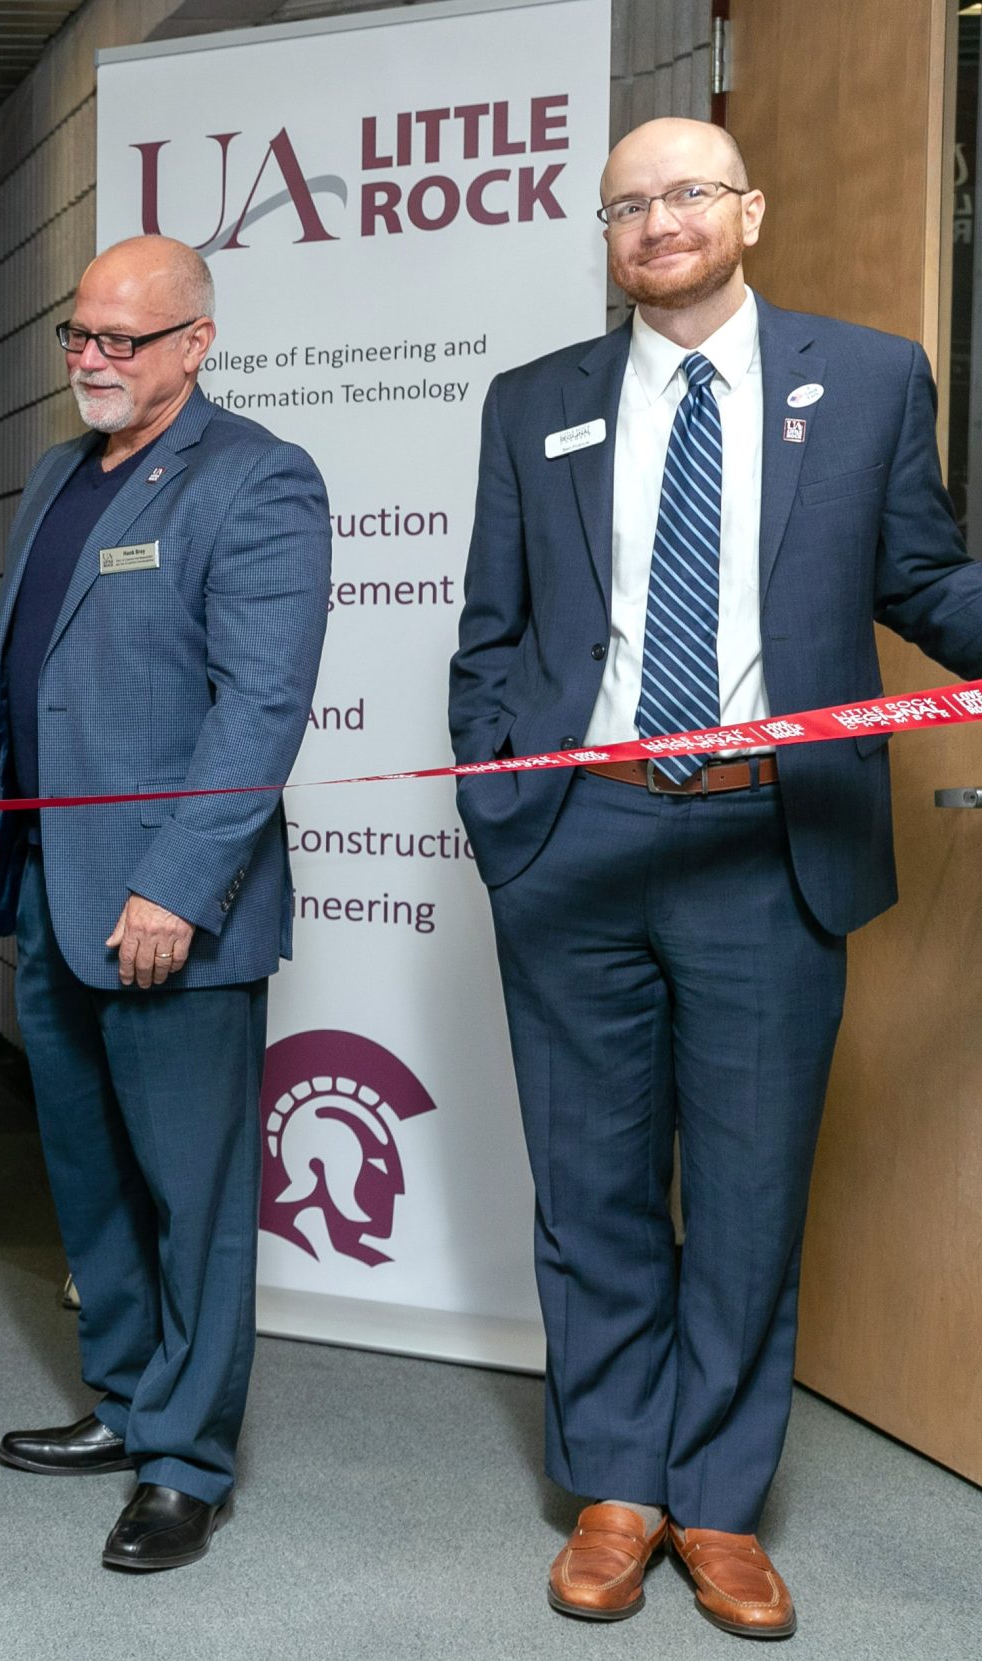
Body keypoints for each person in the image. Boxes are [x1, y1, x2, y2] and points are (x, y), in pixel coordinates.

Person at [450, 118, 982, 1640]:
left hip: (770, 839)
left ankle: (721, 1503)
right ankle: (616, 1488)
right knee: (593, 1188)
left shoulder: (867, 377)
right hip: (579, 842)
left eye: (687, 191)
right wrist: (512, 817)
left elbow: (926, 579)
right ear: (607, 234)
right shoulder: (533, 402)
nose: (658, 220)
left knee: (748, 1190)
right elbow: (491, 631)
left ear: (750, 206)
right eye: (628, 202)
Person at [0, 236, 329, 1572]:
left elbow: (261, 703)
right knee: (92, 1180)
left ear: (196, 343)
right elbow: (23, 691)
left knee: (195, 1193)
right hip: (55, 896)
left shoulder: (260, 480)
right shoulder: (58, 475)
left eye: (125, 339)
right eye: (81, 336)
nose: (95, 361)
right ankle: (122, 1401)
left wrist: (175, 882)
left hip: (171, 912)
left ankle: (187, 1457)